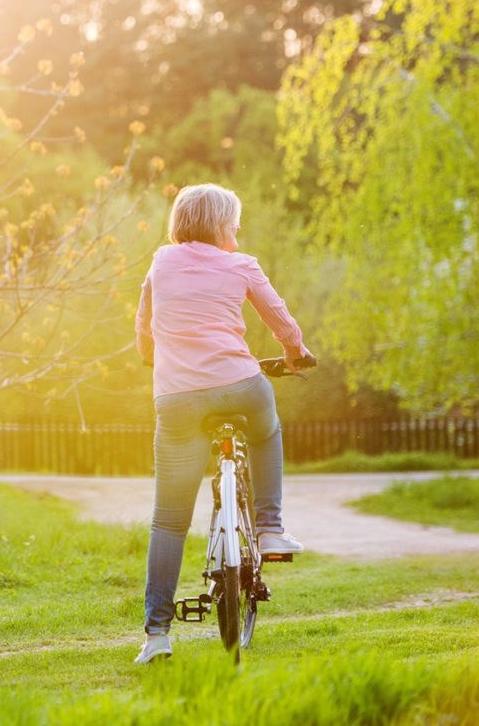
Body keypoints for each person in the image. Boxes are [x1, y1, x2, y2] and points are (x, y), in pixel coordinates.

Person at [132, 183, 312, 664]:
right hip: (240, 386)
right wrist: (296, 355)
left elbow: (144, 324)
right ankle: (270, 527)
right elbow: (281, 321)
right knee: (267, 428)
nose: (237, 228)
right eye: (233, 219)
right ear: (218, 224)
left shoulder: (161, 261)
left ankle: (156, 636)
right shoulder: (242, 265)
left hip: (176, 400)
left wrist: (152, 357)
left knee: (168, 521)